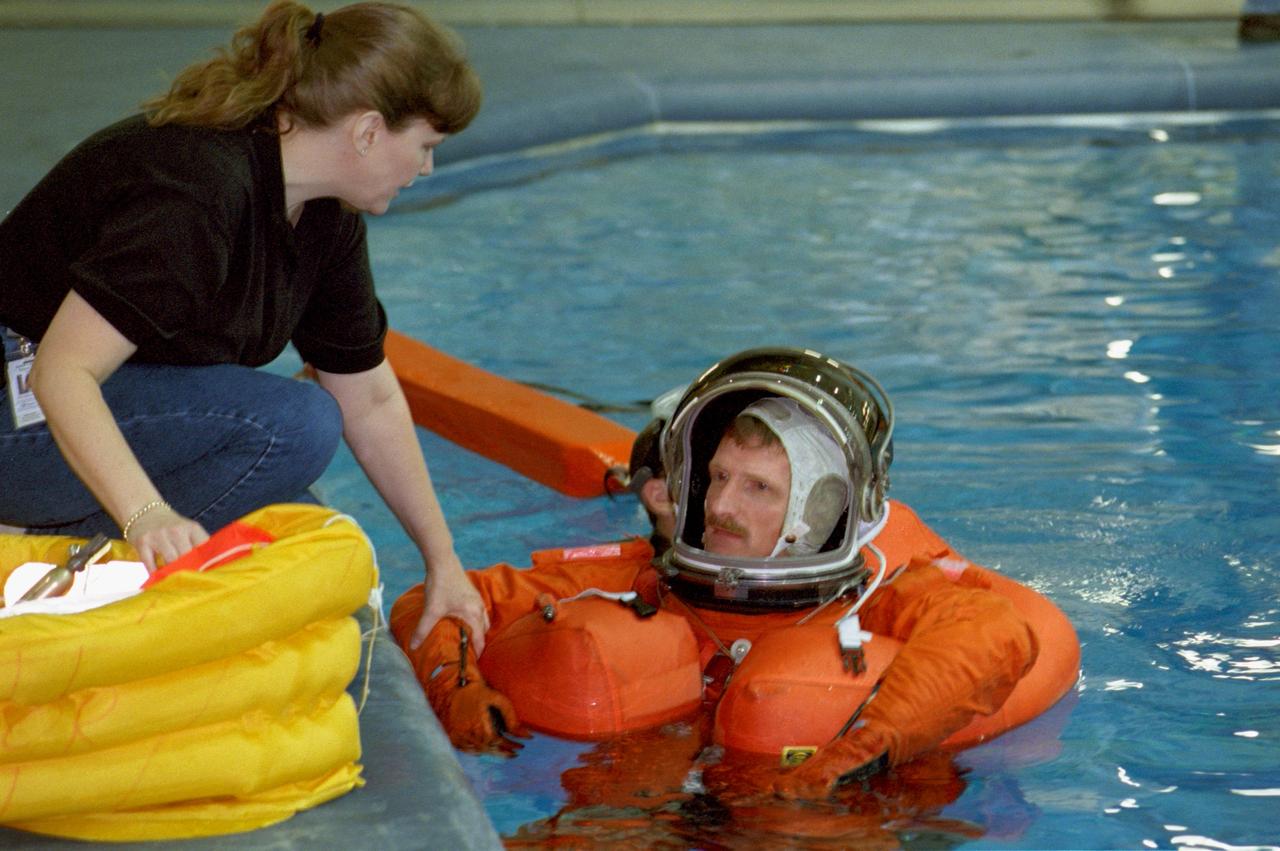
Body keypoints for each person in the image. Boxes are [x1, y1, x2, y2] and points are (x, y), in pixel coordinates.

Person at [0, 1, 487, 642]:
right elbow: (62, 371)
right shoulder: (199, 189)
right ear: (368, 131)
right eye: (425, 147)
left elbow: (367, 395)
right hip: (23, 407)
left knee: (290, 497)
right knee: (290, 426)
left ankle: (70, 531)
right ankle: (51, 546)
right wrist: (146, 515)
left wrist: (443, 559)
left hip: (58, 409)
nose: (426, 168)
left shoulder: (323, 216)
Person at [390, 347, 1042, 798]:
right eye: (720, 478)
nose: (722, 505)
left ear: (818, 509)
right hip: (634, 809)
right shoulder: (646, 576)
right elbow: (442, 597)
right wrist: (457, 690)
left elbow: (994, 635)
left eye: (757, 487)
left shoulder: (876, 595)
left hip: (811, 809)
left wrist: (858, 751)